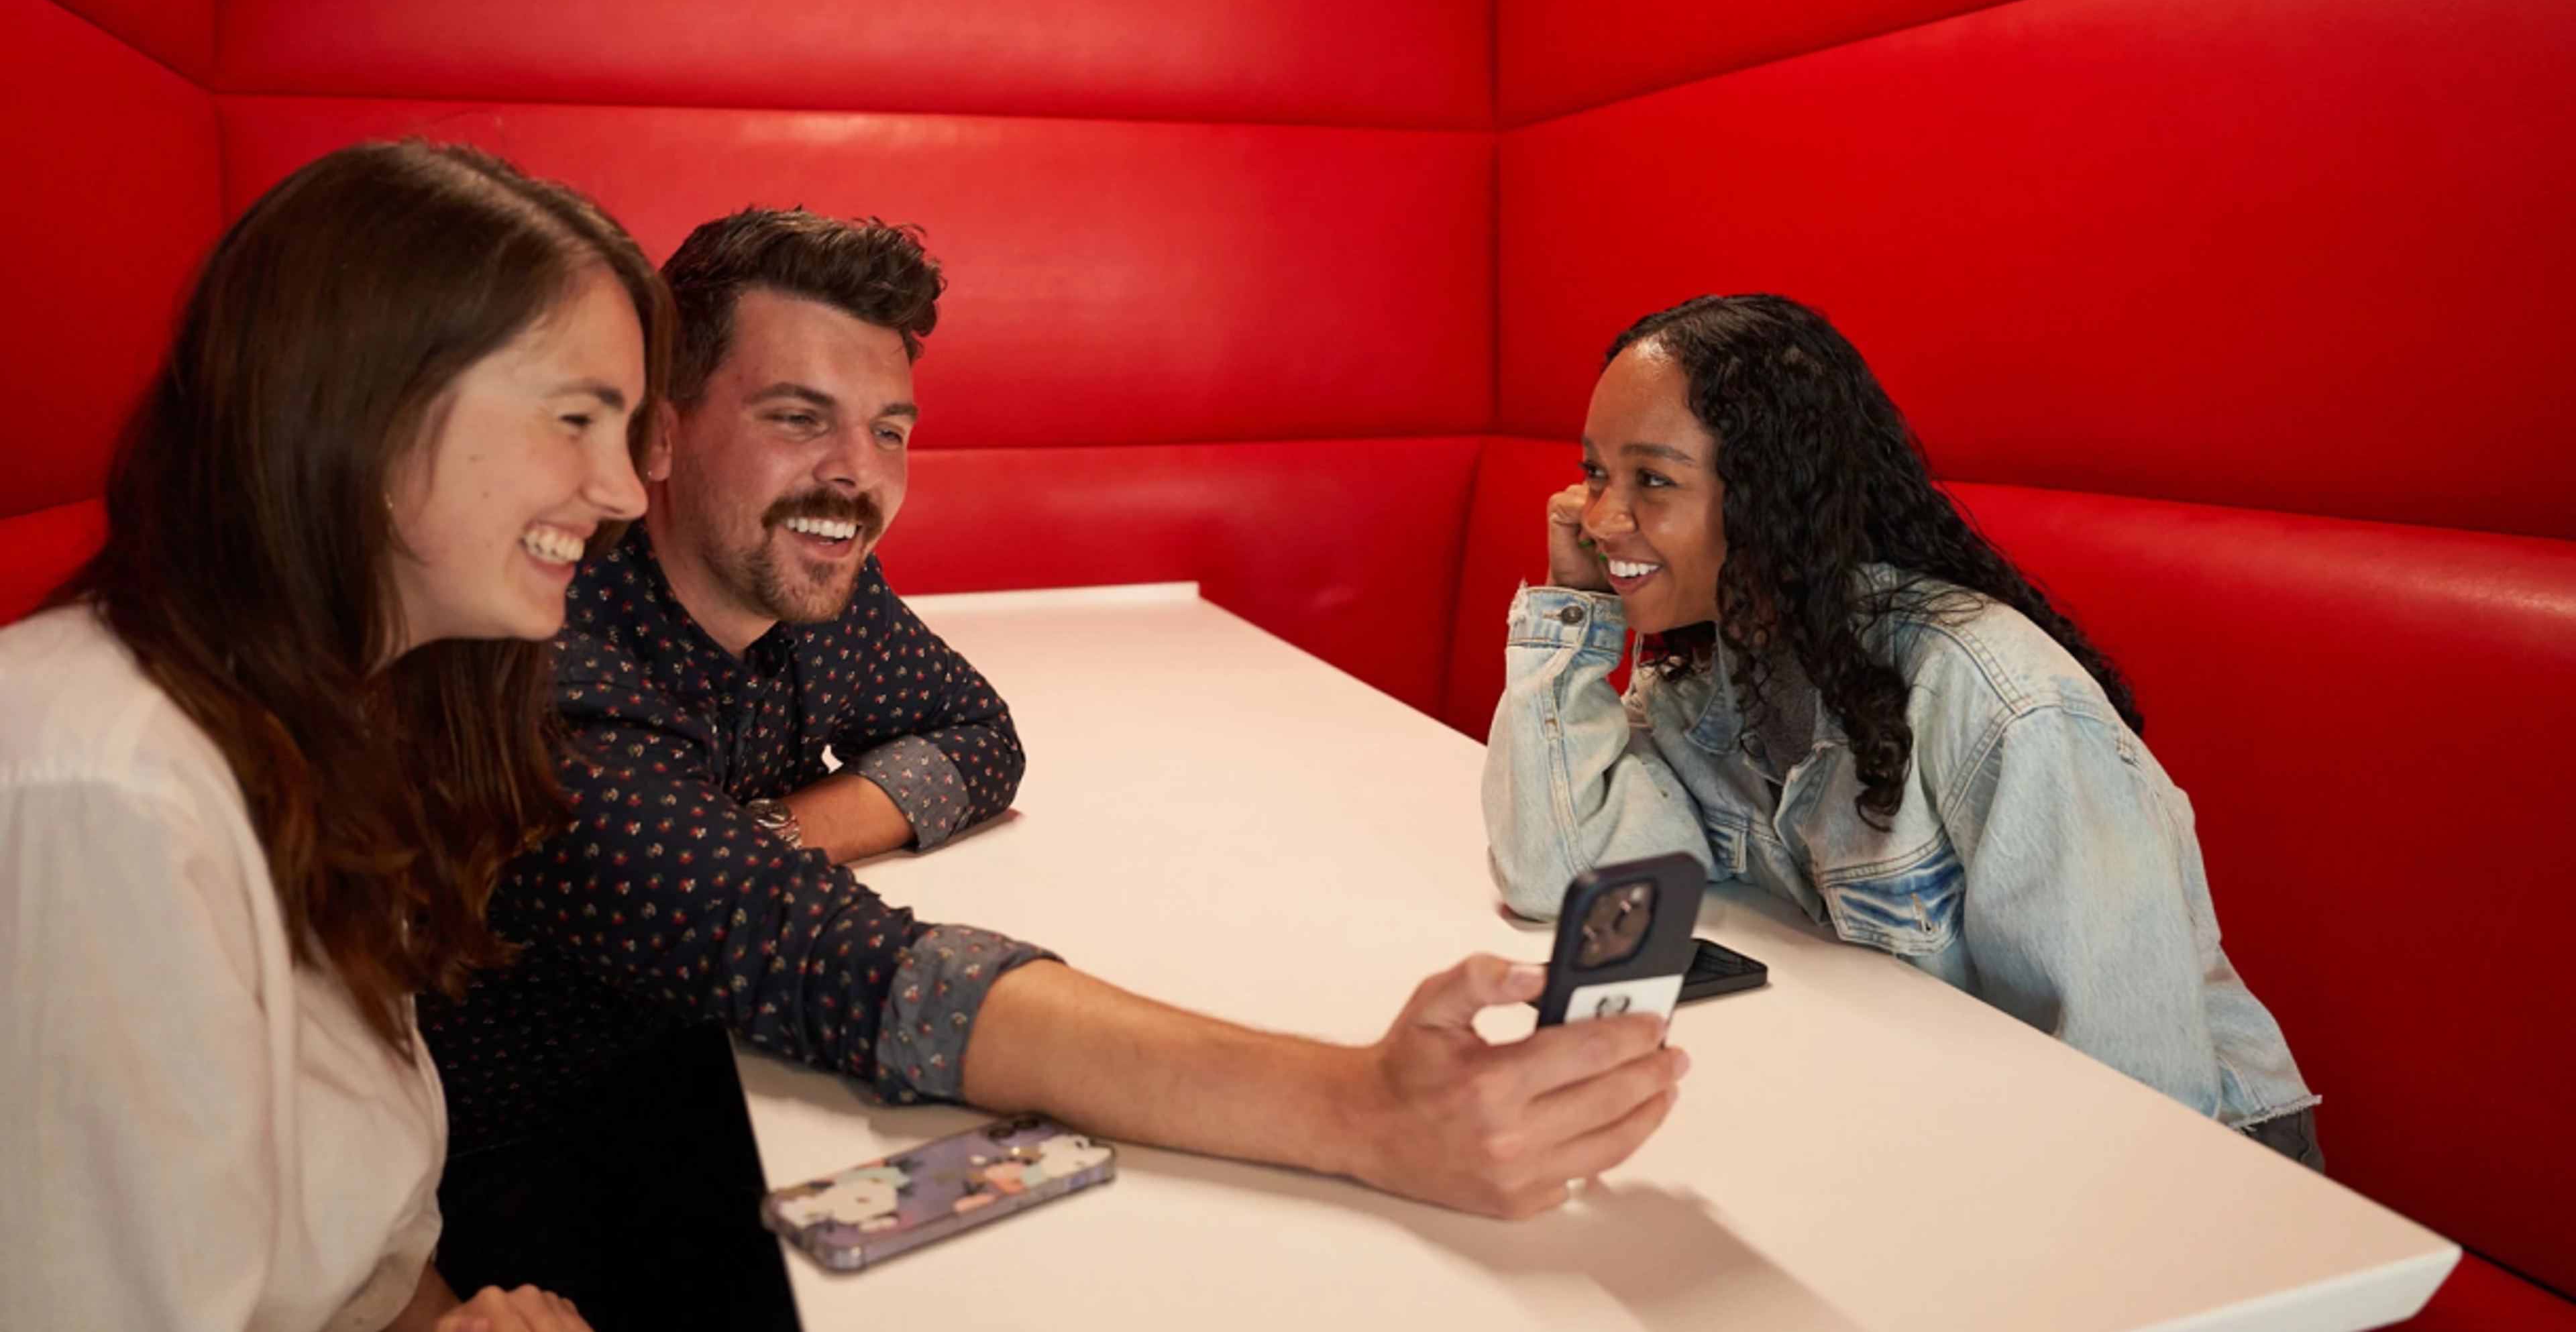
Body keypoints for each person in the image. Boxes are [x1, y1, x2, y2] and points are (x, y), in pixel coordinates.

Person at [423, 206, 1688, 1298]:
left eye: (893, 431)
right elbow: (854, 969)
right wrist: (1359, 1109)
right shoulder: (562, 663)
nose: (856, 479)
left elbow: (979, 739)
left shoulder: (803, 579)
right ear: (662, 430)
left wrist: (764, 842)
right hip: (527, 1160)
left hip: (706, 1065)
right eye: (799, 417)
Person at [0, 140, 667, 1332]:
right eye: (576, 417)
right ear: (367, 405)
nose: (622, 492)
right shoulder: (107, 789)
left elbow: (350, 1256)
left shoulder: (354, 717)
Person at [1483, 293, 2321, 1166]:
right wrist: (1574, 606)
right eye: (1595, 475)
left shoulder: (1998, 702)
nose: (1601, 518)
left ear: (1772, 494)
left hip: (2206, 1169)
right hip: (1931, 1115)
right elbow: (1564, 874)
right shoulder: (1711, 663)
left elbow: (2141, 1097)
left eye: (1652, 480)